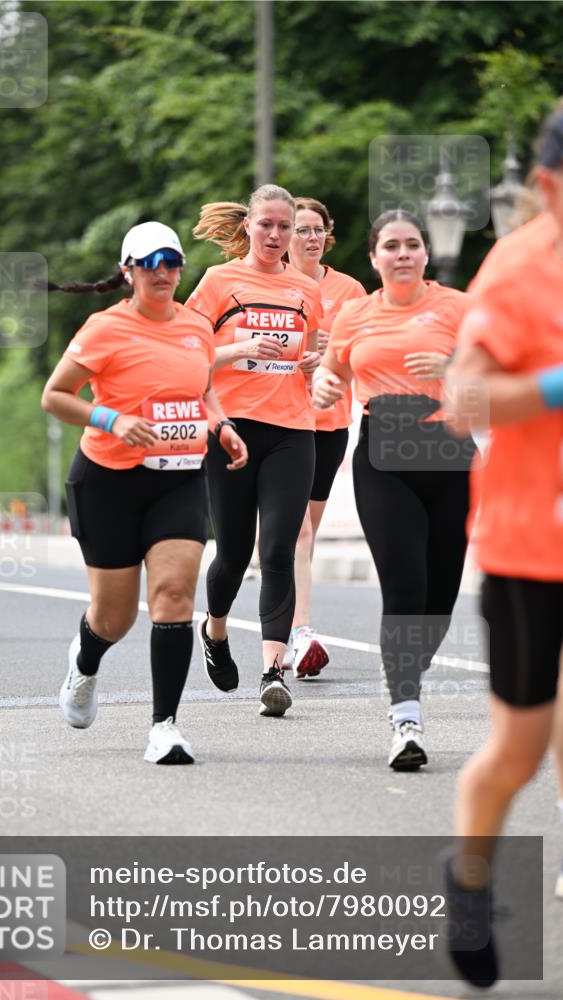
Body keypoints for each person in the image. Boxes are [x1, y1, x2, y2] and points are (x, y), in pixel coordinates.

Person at [40, 221, 247, 765]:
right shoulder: (104, 329)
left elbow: (201, 393)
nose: (162, 273)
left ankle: (165, 728)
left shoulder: (198, 328)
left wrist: (221, 427)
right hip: (107, 481)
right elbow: (55, 396)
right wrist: (110, 419)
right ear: (128, 271)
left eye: (172, 262)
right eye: (150, 263)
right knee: (114, 617)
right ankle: (85, 664)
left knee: (175, 594)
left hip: (178, 478)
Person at [443, 106, 563, 987]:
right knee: (518, 752)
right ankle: (471, 875)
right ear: (549, 187)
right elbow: (466, 400)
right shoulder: (518, 271)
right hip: (531, 550)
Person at [313, 209, 475, 769]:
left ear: (425, 255)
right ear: (375, 257)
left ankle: (407, 670)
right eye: (392, 245)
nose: (403, 253)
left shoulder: (459, 307)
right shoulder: (356, 314)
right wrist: (323, 384)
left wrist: (456, 365)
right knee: (404, 584)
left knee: (440, 595)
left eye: (412, 245)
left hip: (450, 452)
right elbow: (331, 372)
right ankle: (406, 714)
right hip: (383, 454)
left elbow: (503, 376)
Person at [187, 184, 322, 717]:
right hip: (231, 430)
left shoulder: (304, 288)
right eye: (266, 225)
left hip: (293, 429)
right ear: (248, 225)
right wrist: (240, 347)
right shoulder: (220, 281)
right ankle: (214, 629)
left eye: (284, 227)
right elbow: (188, 358)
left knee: (279, 550)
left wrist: (316, 363)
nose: (275, 235)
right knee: (235, 552)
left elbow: (306, 353)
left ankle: (273, 671)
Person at [284, 197, 367, 677]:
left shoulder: (350, 290)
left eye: (317, 230)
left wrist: (333, 356)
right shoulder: (271, 284)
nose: (310, 238)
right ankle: (300, 632)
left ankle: (290, 613)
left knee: (303, 534)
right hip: (280, 422)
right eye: (301, 230)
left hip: (330, 424)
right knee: (299, 530)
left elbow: (364, 355)